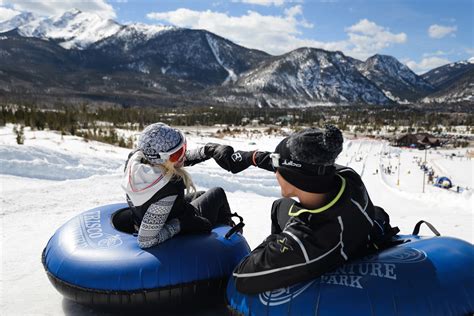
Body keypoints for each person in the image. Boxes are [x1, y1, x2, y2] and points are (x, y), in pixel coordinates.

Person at [212, 125, 395, 294]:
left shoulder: (305, 241)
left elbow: (241, 277)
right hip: (352, 225)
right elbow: (301, 166)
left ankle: (279, 272)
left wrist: (277, 243)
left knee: (278, 219)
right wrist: (251, 157)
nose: (275, 172)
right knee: (280, 206)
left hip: (320, 247)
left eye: (278, 168)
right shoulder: (347, 178)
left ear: (295, 178)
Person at [121, 123, 235, 249]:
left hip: (145, 217)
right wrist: (179, 224)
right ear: (163, 158)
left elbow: (177, 160)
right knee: (217, 194)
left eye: (182, 148)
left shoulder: (136, 161)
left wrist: (208, 151)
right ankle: (230, 244)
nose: (182, 156)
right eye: (177, 154)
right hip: (172, 223)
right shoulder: (166, 189)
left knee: (202, 194)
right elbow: (145, 240)